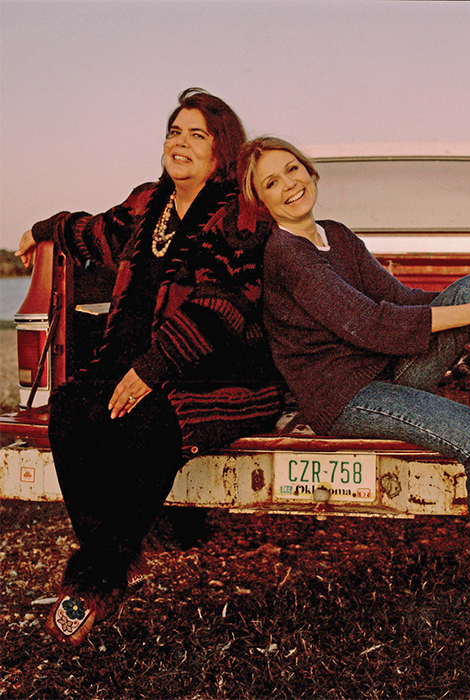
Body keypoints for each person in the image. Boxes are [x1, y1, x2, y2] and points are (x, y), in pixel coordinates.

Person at [238, 136, 470, 693]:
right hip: (343, 394)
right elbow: (371, 324)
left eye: (293, 169)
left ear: (310, 170)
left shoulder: (335, 236)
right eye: (271, 183)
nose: (289, 185)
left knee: (469, 286)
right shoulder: (286, 255)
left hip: (385, 369)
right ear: (260, 201)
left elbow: (398, 297)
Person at [15, 90, 283, 647]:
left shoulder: (240, 211)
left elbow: (225, 302)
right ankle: (117, 560)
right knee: (70, 409)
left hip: (220, 371)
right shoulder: (147, 203)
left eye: (196, 135)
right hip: (131, 362)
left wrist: (152, 368)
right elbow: (92, 230)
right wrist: (44, 228)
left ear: (221, 151)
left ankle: (94, 580)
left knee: (148, 421)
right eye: (173, 132)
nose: (179, 144)